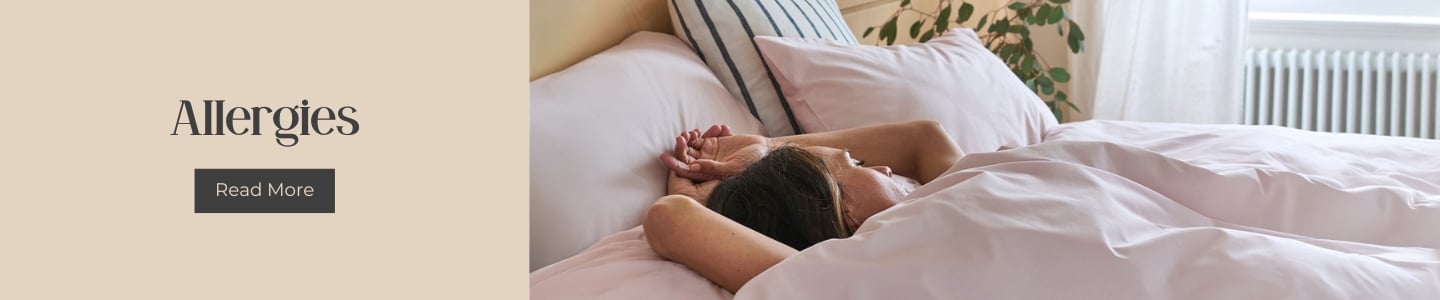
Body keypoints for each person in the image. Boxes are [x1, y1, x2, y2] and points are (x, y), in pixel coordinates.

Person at [643, 120, 965, 293]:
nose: (887, 168)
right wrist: (704, 201)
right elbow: (670, 218)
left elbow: (926, 137)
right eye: (858, 164)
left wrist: (768, 148)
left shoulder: (955, 197)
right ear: (844, 213)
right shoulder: (846, 281)